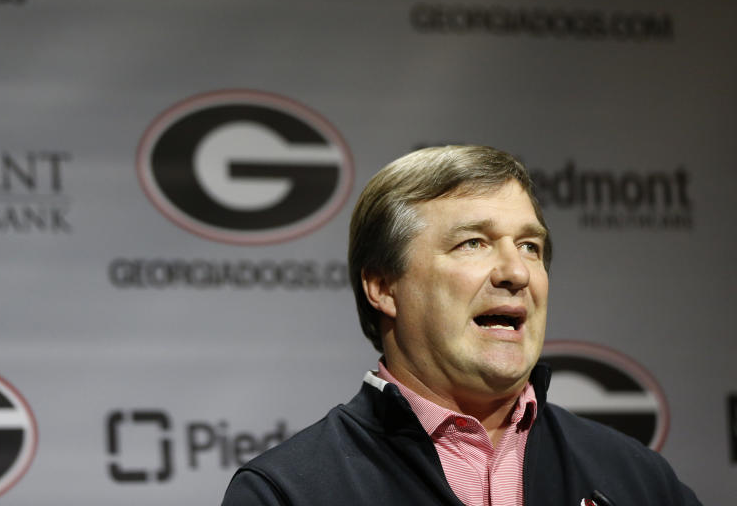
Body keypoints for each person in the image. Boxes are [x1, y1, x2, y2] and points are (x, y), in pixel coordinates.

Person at [222, 145, 701, 506]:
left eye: (530, 246)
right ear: (384, 287)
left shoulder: (636, 479)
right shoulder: (289, 492)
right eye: (473, 243)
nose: (515, 272)